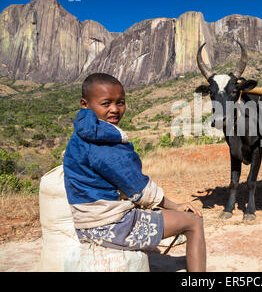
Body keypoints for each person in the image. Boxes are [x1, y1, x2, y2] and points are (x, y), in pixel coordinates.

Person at [63, 73, 206, 272]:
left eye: (120, 102)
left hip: (86, 225)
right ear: (85, 104)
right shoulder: (103, 143)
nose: (114, 109)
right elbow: (140, 190)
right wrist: (176, 206)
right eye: (106, 103)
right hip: (112, 226)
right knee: (193, 221)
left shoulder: (81, 133)